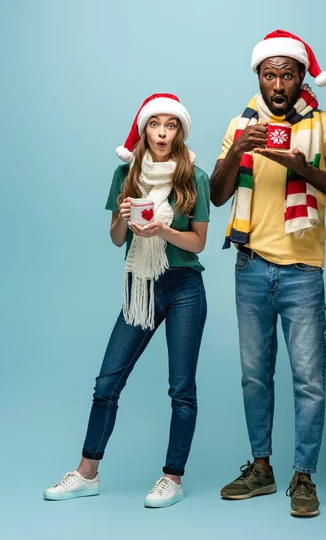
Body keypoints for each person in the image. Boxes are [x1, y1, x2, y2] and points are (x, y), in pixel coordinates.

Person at [210, 30, 326, 517]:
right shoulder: (241, 125)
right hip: (250, 267)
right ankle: (261, 468)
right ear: (259, 76)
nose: (278, 84)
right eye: (270, 75)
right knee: (254, 377)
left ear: (301, 78)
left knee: (308, 381)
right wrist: (238, 150)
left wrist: (304, 168)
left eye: (288, 74)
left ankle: (303, 476)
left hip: (301, 272)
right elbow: (216, 196)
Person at [44, 93, 210, 508]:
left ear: (180, 132)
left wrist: (164, 232)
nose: (162, 133)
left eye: (171, 126)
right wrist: (122, 216)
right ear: (144, 130)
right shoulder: (125, 174)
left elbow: (199, 243)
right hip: (141, 288)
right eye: (156, 125)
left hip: (185, 286)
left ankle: (172, 477)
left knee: (181, 389)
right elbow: (117, 238)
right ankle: (87, 474)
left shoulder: (196, 177)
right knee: (107, 383)